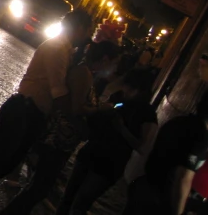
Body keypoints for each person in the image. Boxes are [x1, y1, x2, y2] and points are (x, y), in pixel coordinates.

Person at [0, 9, 95, 215]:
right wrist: (78, 114)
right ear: (80, 28)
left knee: (1, 164)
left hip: (30, 113)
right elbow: (58, 91)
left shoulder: (65, 50)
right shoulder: (57, 48)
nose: (88, 38)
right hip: (24, 111)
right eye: (88, 31)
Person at [0, 39, 121, 214]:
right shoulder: (83, 74)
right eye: (114, 63)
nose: (114, 69)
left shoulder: (87, 73)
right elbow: (76, 107)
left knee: (38, 187)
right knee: (39, 188)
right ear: (105, 59)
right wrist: (100, 108)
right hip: (57, 139)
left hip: (61, 140)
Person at [55, 66, 158, 215]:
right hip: (90, 153)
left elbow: (142, 147)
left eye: (130, 87)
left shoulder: (148, 115)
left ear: (140, 89)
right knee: (68, 197)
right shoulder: (119, 99)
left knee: (81, 202)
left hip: (110, 164)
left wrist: (121, 128)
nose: (126, 90)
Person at [123, 87, 208, 215]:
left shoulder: (177, 122)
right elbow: (183, 178)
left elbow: (177, 154)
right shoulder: (200, 136)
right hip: (158, 200)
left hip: (143, 187)